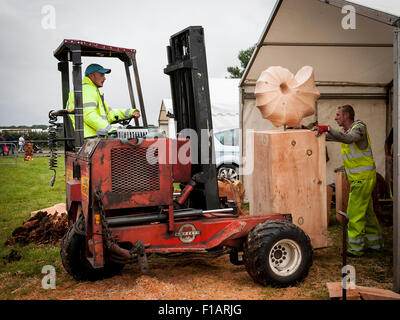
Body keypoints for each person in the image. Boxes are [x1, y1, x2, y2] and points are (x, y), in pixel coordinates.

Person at [315, 105, 384, 257]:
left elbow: (349, 139)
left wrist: (327, 128)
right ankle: (376, 244)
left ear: (346, 115)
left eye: (338, 115)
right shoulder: (344, 132)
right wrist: (309, 131)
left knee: (353, 214)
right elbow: (330, 136)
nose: (335, 118)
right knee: (366, 212)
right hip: (361, 179)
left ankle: (355, 249)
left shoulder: (359, 128)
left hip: (362, 179)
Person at [66, 63, 140, 138]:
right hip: (89, 137)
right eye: (101, 75)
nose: (104, 78)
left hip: (95, 136)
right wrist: (110, 129)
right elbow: (89, 116)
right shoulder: (86, 90)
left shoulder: (93, 91)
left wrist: (131, 112)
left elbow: (109, 114)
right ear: (91, 76)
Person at [384, 128, 393, 195]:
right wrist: (388, 154)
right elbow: (387, 143)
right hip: (396, 162)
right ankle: (395, 201)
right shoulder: (396, 128)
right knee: (393, 181)